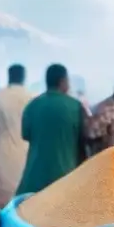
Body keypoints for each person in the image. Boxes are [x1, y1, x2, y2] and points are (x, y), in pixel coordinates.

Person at [17, 65, 88, 195]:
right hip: (65, 175)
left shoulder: (33, 105)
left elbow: (26, 135)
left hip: (34, 178)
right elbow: (85, 138)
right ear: (63, 81)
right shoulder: (76, 106)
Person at [0, 65, 32, 208]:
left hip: (2, 154)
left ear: (8, 76)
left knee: (2, 202)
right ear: (24, 77)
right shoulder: (33, 97)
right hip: (27, 152)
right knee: (25, 201)